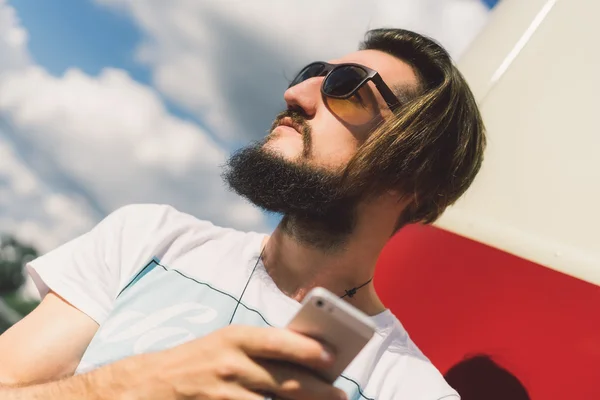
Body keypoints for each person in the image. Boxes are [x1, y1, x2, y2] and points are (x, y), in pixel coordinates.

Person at [0, 28, 485, 400]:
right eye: (309, 75)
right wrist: (137, 383)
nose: (296, 95)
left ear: (412, 168)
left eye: (346, 87)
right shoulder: (150, 238)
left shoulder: (408, 388)